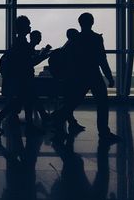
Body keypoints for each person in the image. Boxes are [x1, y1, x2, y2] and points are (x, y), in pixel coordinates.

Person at [51, 13, 120, 142]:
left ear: (80, 23)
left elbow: (69, 59)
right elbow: (102, 60)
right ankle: (104, 131)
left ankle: (57, 118)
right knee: (102, 103)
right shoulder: (96, 38)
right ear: (92, 22)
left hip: (79, 75)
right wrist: (109, 77)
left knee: (73, 102)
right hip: (94, 74)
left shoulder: (75, 40)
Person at [0, 16, 40, 132]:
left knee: (23, 100)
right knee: (25, 100)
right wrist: (42, 56)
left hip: (20, 77)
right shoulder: (22, 43)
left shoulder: (19, 43)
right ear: (23, 28)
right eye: (28, 25)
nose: (30, 27)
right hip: (24, 77)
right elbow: (28, 62)